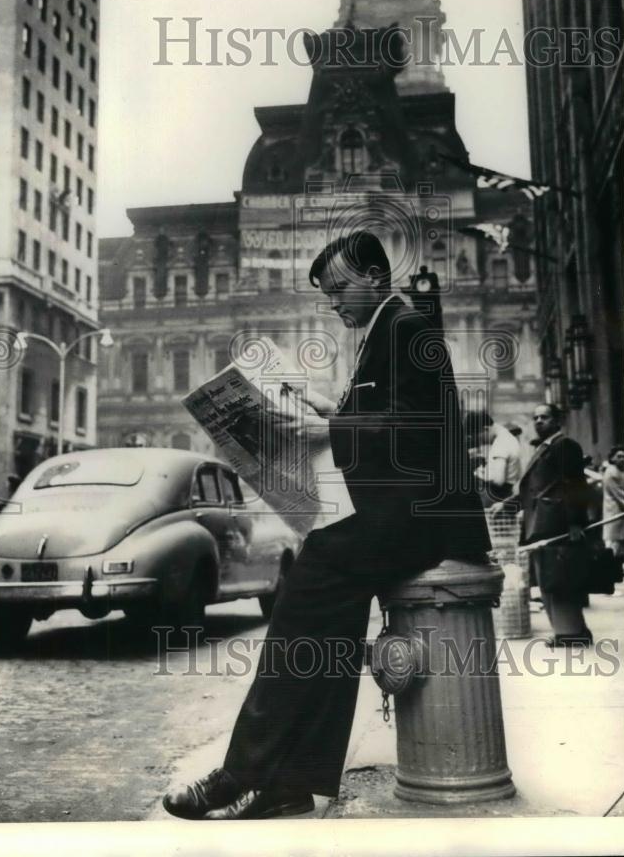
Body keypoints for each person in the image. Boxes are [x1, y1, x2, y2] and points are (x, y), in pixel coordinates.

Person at [162, 230, 490, 820]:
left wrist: (330, 432)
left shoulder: (409, 326)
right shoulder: (381, 330)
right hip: (401, 509)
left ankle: (244, 773)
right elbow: (395, 416)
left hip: (423, 516)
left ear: (373, 276)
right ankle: (289, 783)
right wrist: (331, 412)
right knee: (325, 623)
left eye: (340, 288)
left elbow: (430, 425)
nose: (333, 301)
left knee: (304, 598)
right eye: (327, 292)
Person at [517, 403, 592, 647]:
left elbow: (575, 484)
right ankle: (571, 631)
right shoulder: (545, 448)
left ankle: (570, 634)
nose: (539, 421)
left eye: (545, 417)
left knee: (558, 580)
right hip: (541, 523)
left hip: (556, 523)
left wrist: (575, 521)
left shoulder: (564, 446)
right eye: (535, 417)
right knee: (550, 581)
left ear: (557, 421)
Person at [464, 410, 522, 509]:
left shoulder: (501, 444)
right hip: (502, 494)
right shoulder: (507, 437)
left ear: (485, 429)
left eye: (479, 437)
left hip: (495, 495)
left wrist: (477, 473)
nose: (480, 441)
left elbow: (498, 480)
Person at [602, 445, 624, 569]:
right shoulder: (612, 473)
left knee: (621, 548)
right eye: (619, 456)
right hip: (615, 515)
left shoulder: (621, 471)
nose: (622, 459)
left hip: (622, 517)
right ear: (612, 458)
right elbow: (620, 495)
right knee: (613, 548)